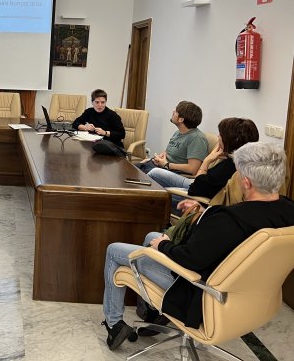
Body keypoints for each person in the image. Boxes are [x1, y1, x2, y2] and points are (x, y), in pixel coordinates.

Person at [101, 142, 294, 350]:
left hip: (197, 293)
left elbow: (190, 259)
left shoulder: (228, 220)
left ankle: (114, 325)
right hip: (251, 297)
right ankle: (152, 313)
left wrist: (164, 246)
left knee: (115, 251)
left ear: (246, 182)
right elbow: (233, 232)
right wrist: (205, 212)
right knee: (151, 236)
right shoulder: (287, 210)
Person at [148, 117, 259, 213]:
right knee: (155, 173)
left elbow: (194, 189)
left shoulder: (228, 168)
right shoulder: (244, 161)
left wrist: (206, 161)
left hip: (198, 202)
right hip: (200, 186)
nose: (218, 137)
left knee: (153, 195)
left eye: (220, 135)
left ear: (229, 140)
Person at [138, 101, 208, 176]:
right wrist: (160, 157)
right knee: (130, 168)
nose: (173, 112)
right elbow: (170, 153)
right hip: (161, 167)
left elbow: (192, 169)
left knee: (134, 175)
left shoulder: (197, 138)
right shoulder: (178, 132)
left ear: (181, 119)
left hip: (172, 173)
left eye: (176, 111)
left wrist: (167, 165)